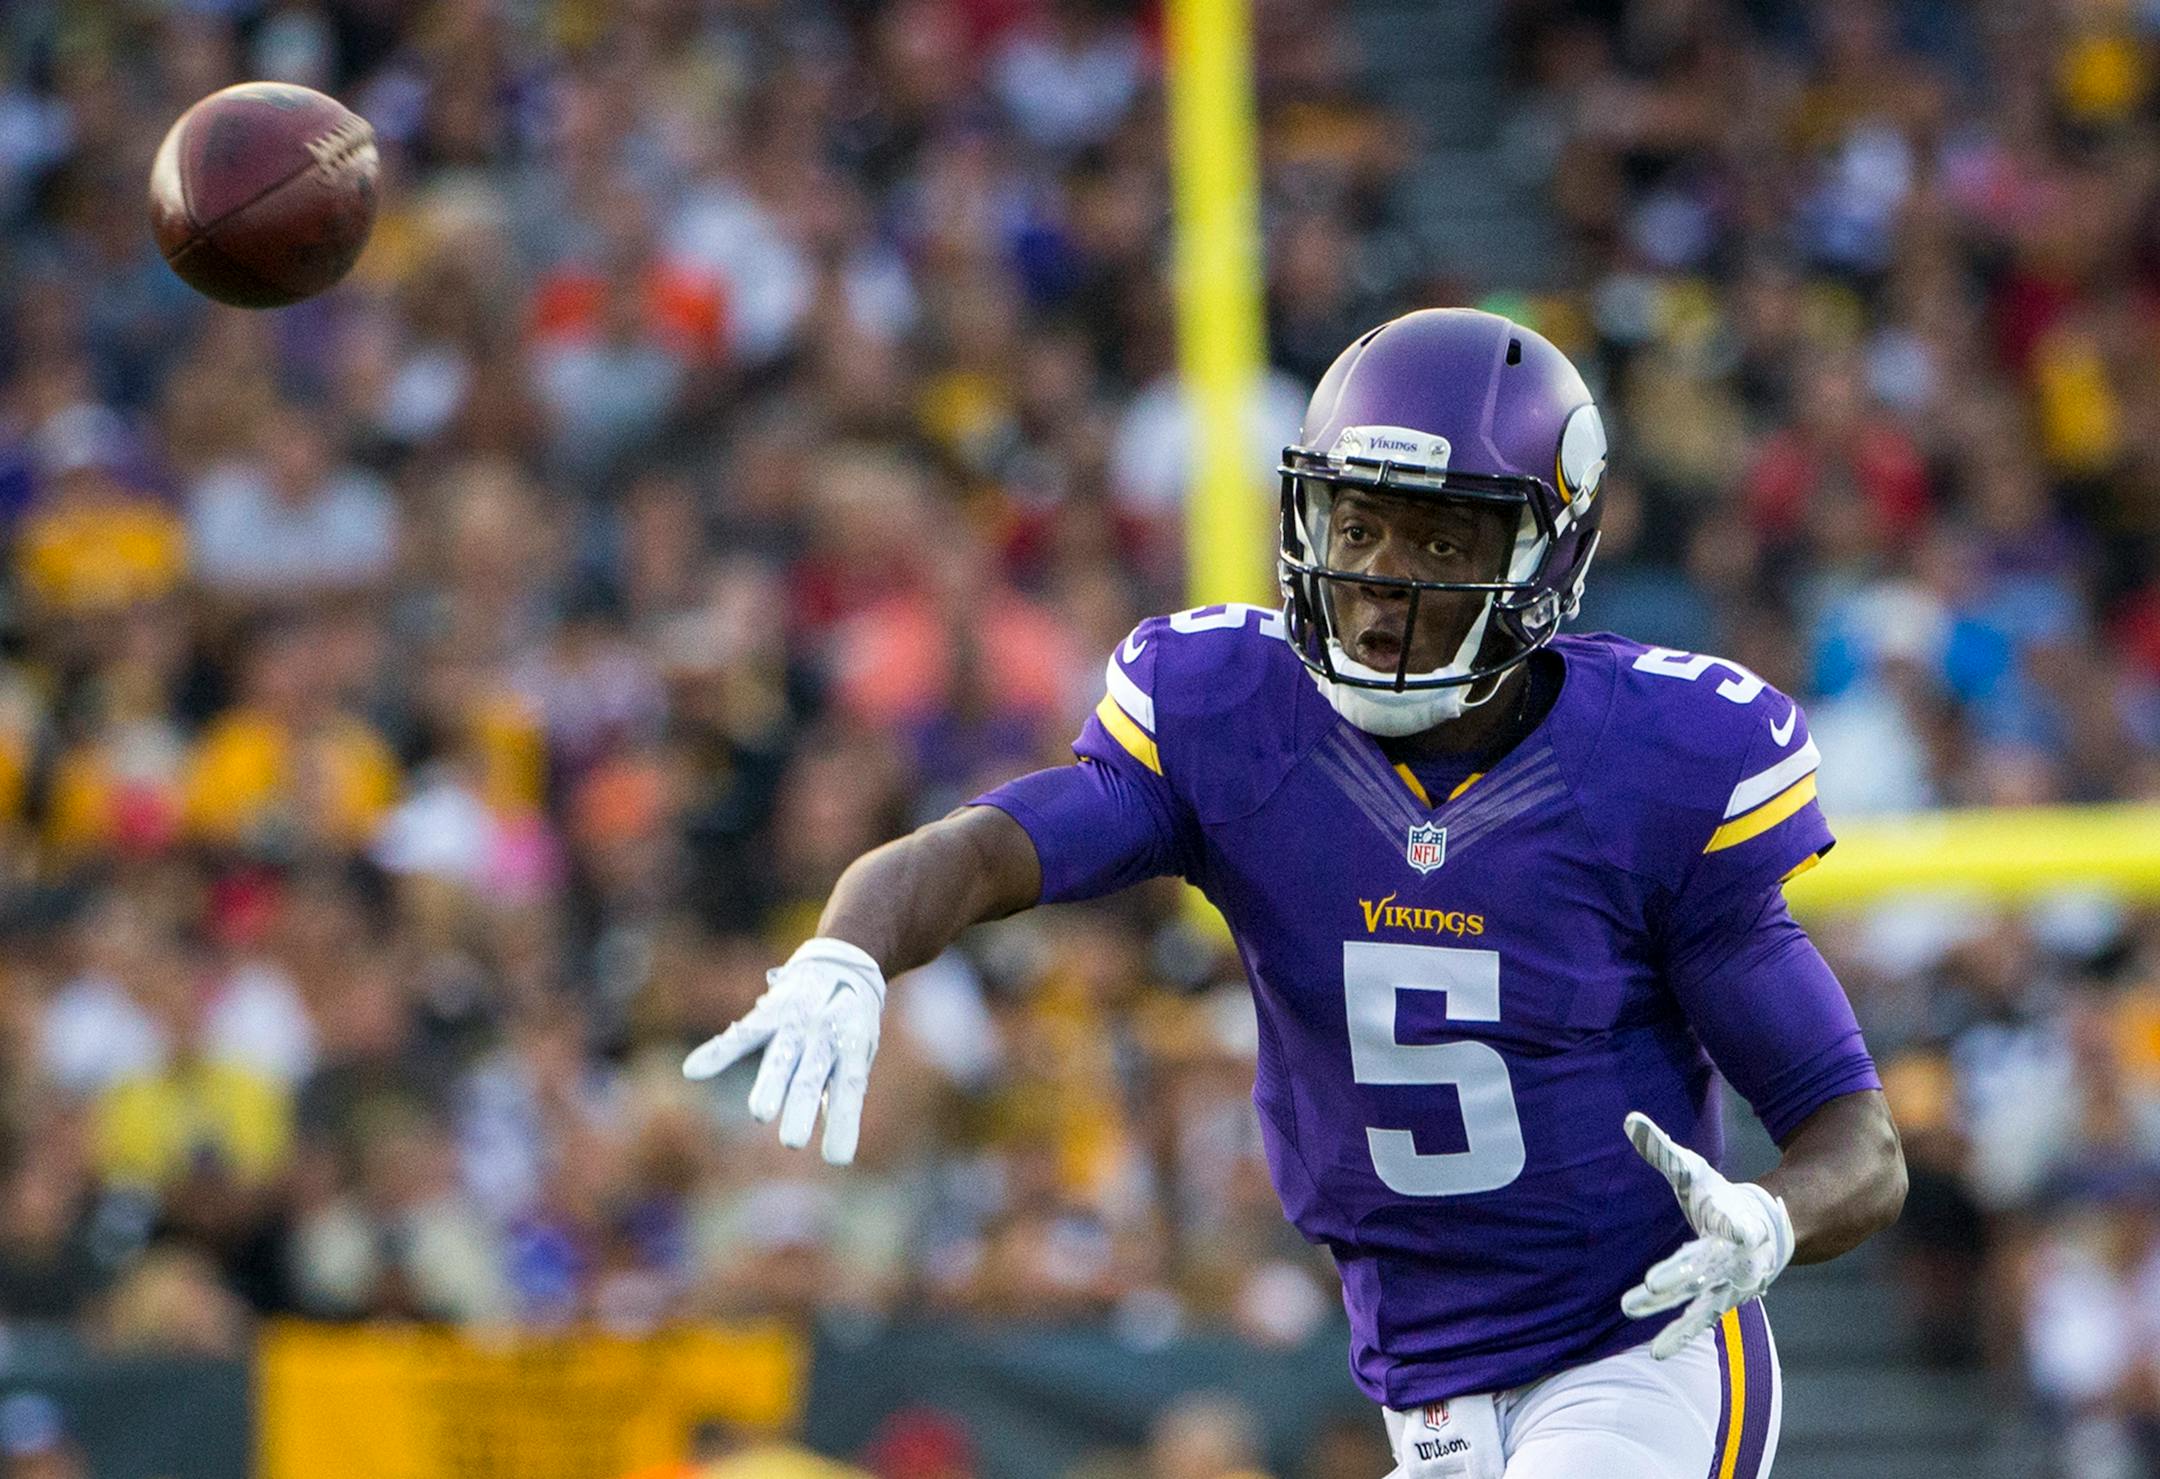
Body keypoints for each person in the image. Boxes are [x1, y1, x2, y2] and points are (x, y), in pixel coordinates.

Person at [685, 309, 1907, 1478]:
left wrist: (1769, 1222)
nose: (1385, 579)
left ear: (1552, 555)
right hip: (1422, 1387)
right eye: (1361, 526)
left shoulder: (1656, 770)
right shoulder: (1236, 719)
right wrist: (848, 947)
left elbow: (1857, 1140)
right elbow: (986, 848)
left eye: (1444, 541)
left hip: (1641, 1354)